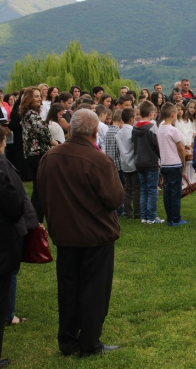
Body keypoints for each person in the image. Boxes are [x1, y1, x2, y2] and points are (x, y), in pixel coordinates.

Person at [37, 109, 123, 357]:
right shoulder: (98, 160)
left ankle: (67, 340)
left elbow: (41, 191)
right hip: (94, 236)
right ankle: (89, 342)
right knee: (94, 290)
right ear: (95, 132)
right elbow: (114, 198)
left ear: (71, 129)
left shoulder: (50, 157)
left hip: (65, 235)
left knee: (68, 288)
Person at [0, 125, 37, 344]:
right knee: (9, 272)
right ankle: (8, 313)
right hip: (8, 230)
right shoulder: (3, 166)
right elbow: (16, 201)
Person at [21, 87, 58, 223]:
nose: (39, 99)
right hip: (38, 154)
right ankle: (38, 220)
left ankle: (33, 219)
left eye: (39, 96)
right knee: (43, 189)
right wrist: (56, 144)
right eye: (36, 96)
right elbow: (44, 133)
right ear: (29, 99)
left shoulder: (26, 114)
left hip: (31, 155)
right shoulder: (32, 115)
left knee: (37, 188)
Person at [156, 103, 188, 226]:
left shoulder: (160, 128)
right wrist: (183, 162)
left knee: (167, 192)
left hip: (164, 164)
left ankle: (170, 217)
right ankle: (176, 219)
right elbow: (180, 149)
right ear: (173, 114)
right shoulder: (173, 130)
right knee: (175, 193)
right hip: (174, 164)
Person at [132, 100, 163, 224]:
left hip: (139, 161)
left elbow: (133, 143)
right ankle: (151, 217)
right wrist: (161, 158)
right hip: (151, 161)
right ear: (151, 113)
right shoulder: (152, 128)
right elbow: (157, 145)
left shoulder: (135, 128)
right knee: (152, 190)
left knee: (143, 189)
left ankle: (144, 216)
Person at [116, 108, 141, 220]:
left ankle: (127, 213)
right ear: (132, 118)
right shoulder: (133, 131)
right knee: (136, 189)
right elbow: (136, 146)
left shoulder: (119, 132)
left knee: (127, 189)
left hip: (124, 163)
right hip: (134, 163)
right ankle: (137, 213)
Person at [105, 110, 124, 216]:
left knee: (112, 188)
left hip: (110, 163)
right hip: (118, 164)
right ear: (121, 120)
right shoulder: (118, 133)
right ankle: (120, 209)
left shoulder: (108, 131)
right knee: (120, 188)